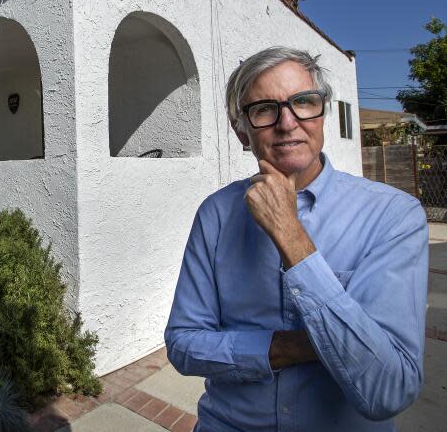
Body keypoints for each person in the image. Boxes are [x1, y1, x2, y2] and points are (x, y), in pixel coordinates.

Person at [165, 47, 428, 432]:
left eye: (303, 102)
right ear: (242, 132)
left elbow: (389, 389)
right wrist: (300, 346)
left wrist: (290, 234)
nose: (287, 123)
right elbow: (184, 345)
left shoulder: (393, 216)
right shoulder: (216, 213)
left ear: (322, 115)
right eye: (264, 108)